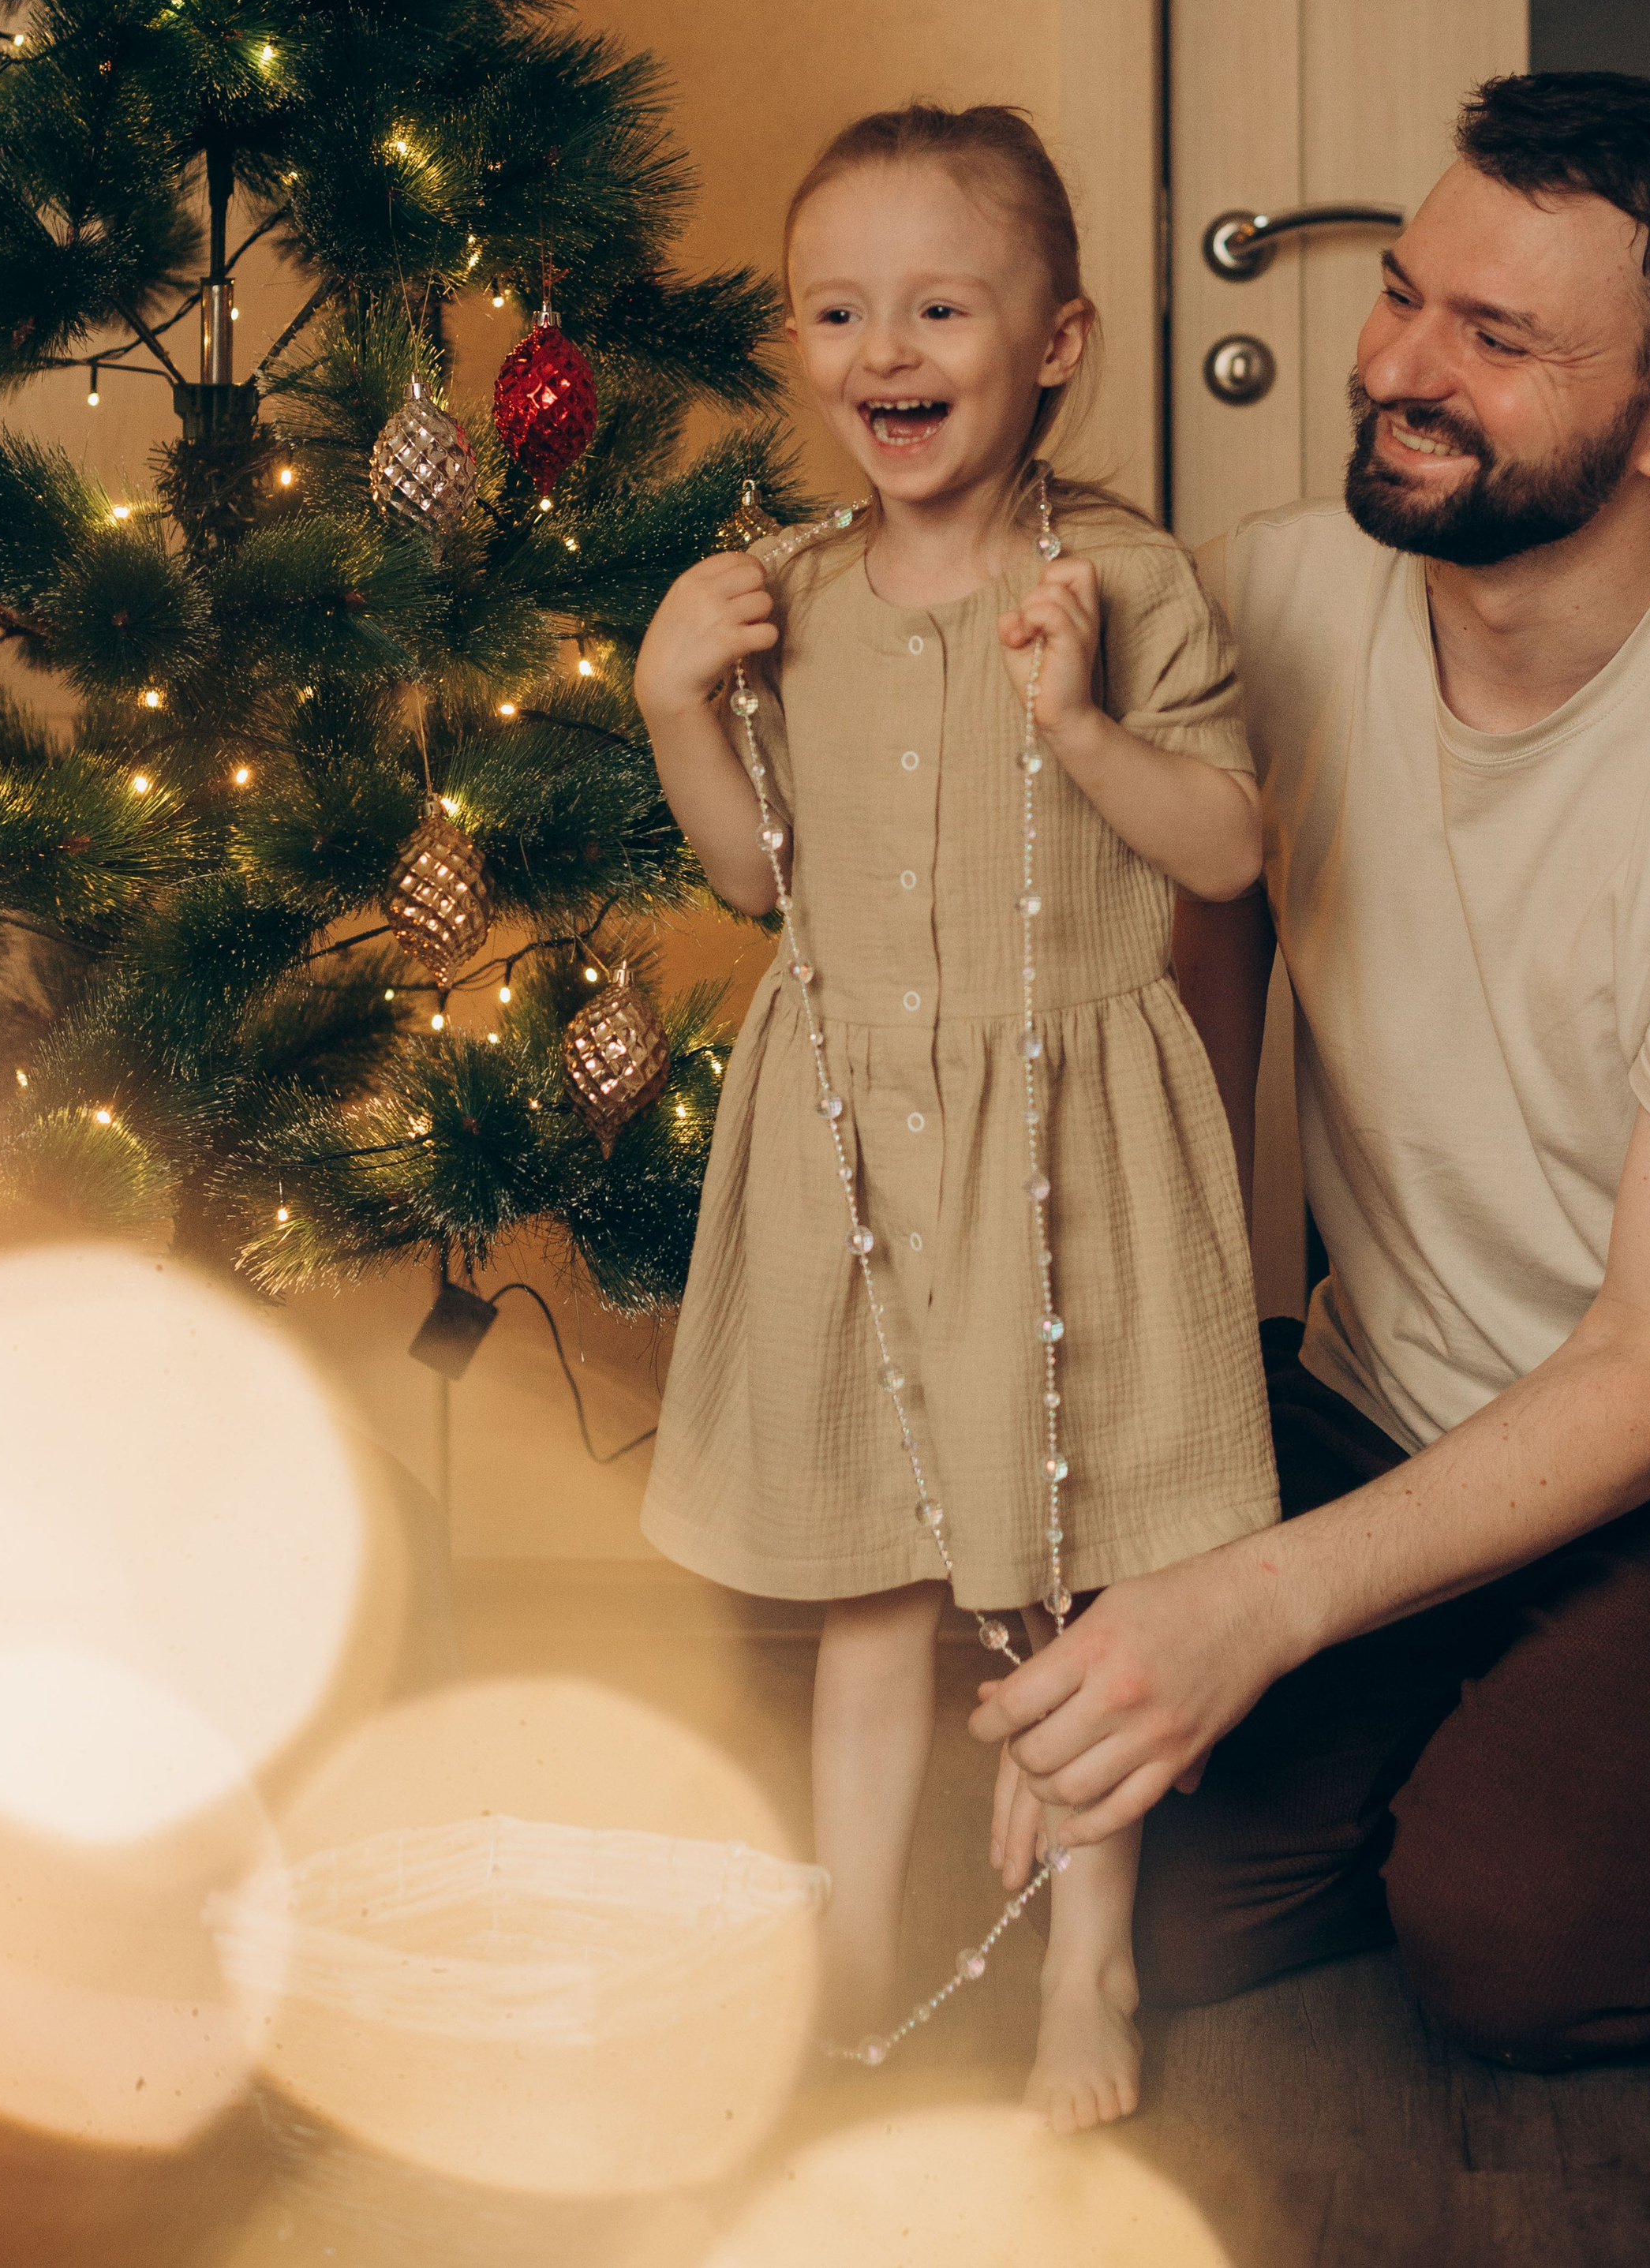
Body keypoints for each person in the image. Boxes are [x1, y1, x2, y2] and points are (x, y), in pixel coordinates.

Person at [971, 68, 1650, 2068]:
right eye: (1404, 290)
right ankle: (1488, 1678)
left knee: (1518, 1946)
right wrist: (1184, 1439)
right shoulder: (1274, 596)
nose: (1396, 365)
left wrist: (1251, 1607)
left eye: (1494, 341)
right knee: (1094, 1858)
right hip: (1386, 1390)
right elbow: (1183, 994)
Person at [634, 103, 1277, 2128]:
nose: (879, 349)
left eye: (936, 305)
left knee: (1076, 1586)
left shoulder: (1130, 581)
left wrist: (1075, 720)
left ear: (1056, 340)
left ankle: (1091, 1966)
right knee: (867, 1586)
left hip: (1063, 1132)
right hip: (851, 1140)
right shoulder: (785, 596)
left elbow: (1229, 846)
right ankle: (841, 1941)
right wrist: (671, 702)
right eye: (836, 309)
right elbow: (760, 881)